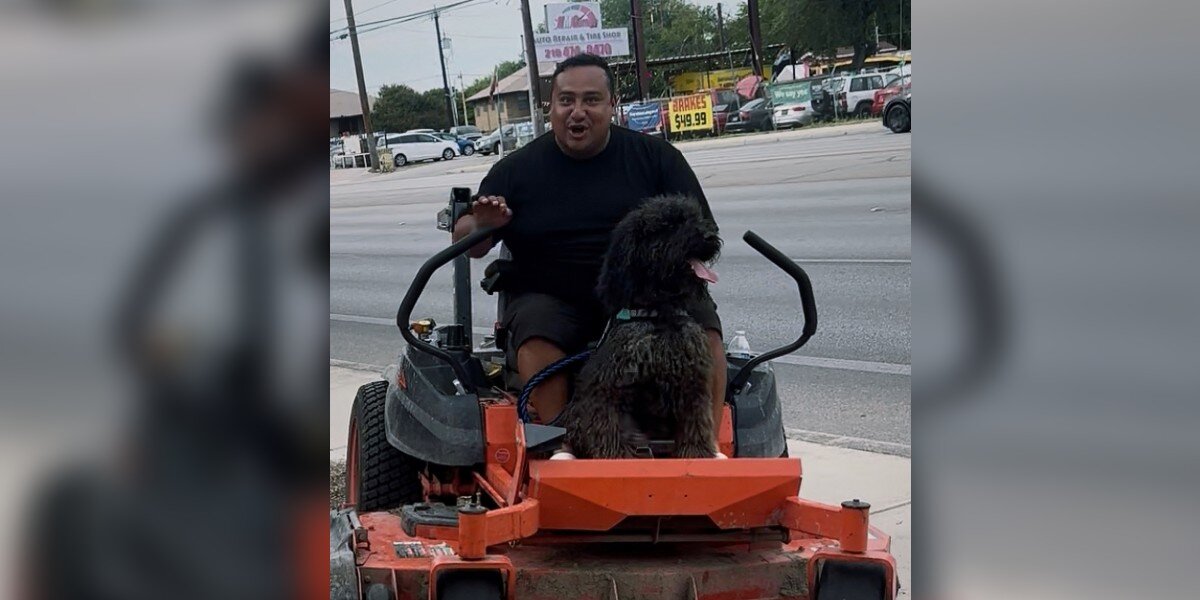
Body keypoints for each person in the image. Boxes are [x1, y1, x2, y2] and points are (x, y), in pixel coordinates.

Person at [452, 53, 726, 449]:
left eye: (591, 100)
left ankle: (706, 451)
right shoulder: (517, 170)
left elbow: (703, 233)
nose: (577, 112)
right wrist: (483, 224)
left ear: (612, 105)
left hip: (649, 296)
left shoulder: (657, 159)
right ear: (551, 107)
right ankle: (561, 447)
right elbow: (469, 244)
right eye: (566, 101)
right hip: (554, 298)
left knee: (705, 329)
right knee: (536, 332)